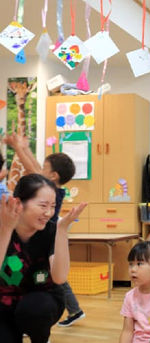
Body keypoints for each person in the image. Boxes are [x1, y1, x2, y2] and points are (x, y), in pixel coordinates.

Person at [4, 133, 85, 327]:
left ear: (53, 176)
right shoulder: (51, 185)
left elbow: (33, 170)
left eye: (45, 168)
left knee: (55, 279)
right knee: (51, 277)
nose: (41, 169)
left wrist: (18, 148)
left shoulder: (50, 189)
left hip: (48, 237)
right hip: (43, 235)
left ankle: (71, 310)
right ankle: (74, 310)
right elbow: (37, 168)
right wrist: (25, 147)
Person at [0, 174, 86, 343]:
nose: (48, 213)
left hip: (43, 299)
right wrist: (6, 230)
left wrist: (62, 231)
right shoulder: (3, 225)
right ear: (18, 203)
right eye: (43, 206)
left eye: (53, 206)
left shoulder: (51, 231)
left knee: (34, 309)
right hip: (5, 302)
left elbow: (60, 277)